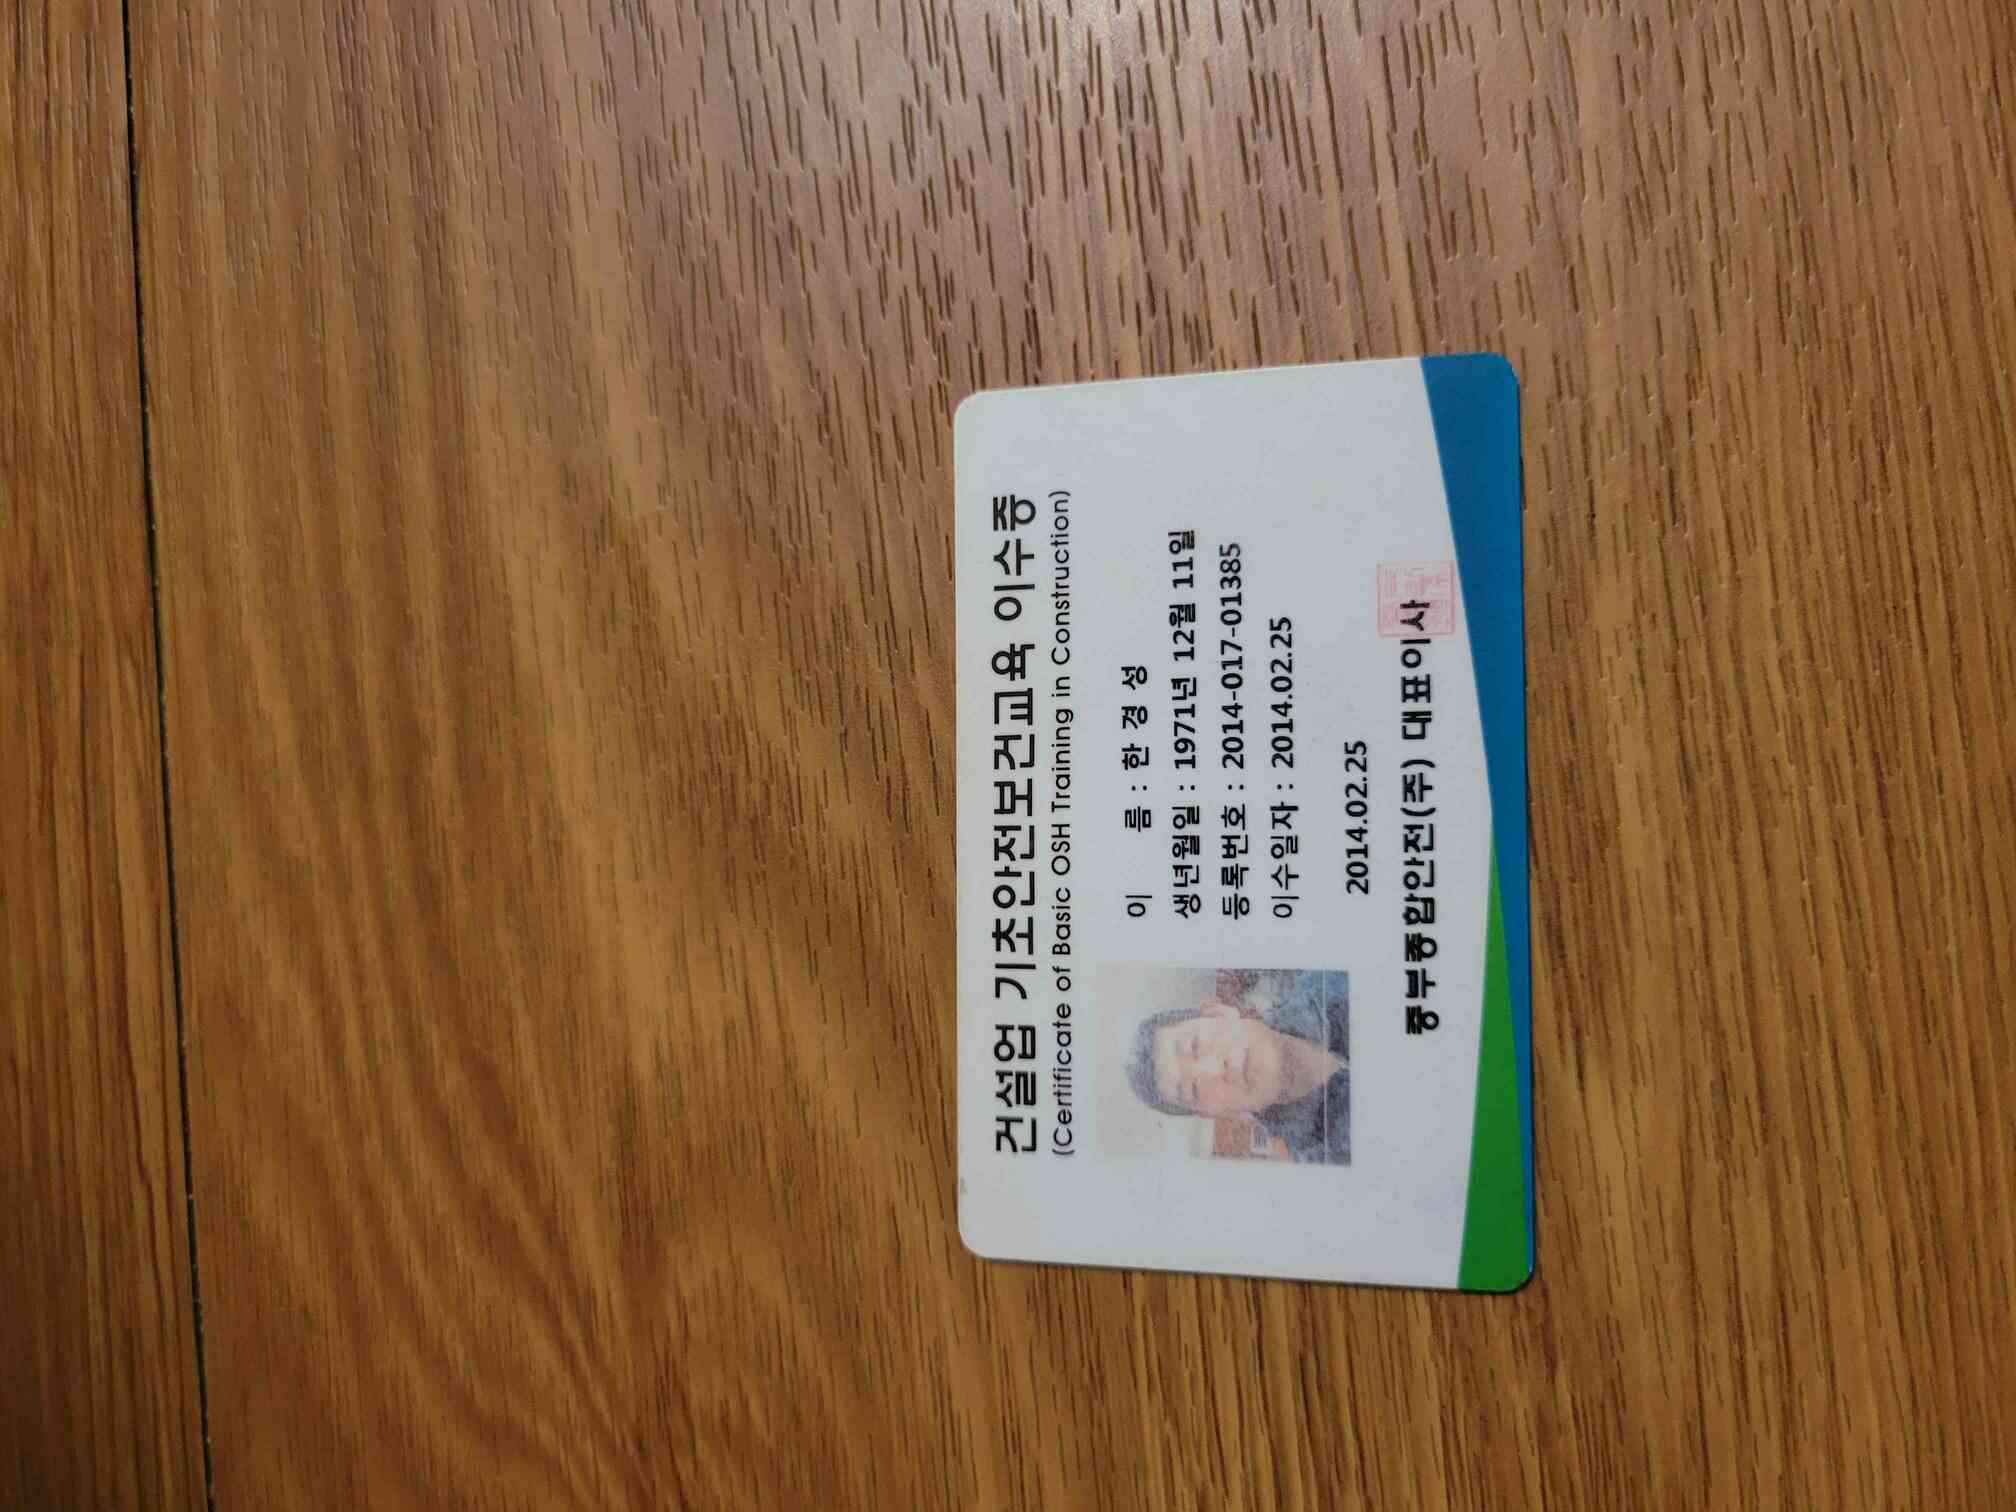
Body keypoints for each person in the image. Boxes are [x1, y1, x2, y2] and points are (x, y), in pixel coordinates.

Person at [1123, 970, 1349, 1163]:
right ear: (1211, 1113)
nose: (1215, 1070)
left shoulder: (1334, 978)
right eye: (1194, 1090)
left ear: (1219, 1012)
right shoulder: (1329, 1162)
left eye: (1195, 1046)